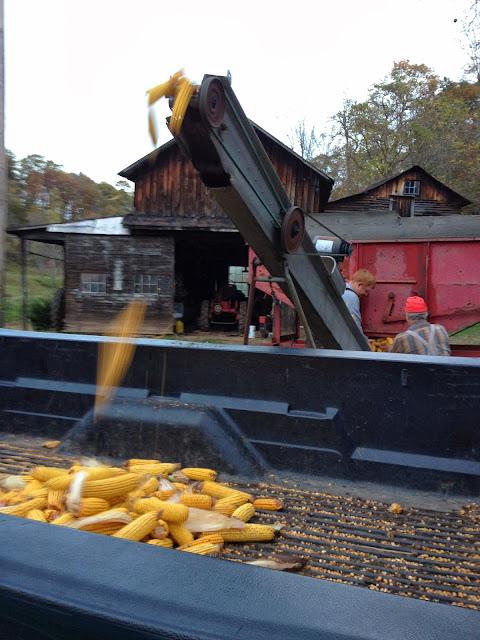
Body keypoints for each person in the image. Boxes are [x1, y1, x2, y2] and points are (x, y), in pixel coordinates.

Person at [342, 269, 376, 338]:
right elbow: (354, 323)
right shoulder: (351, 296)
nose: (366, 294)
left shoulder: (342, 290)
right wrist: (364, 341)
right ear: (359, 285)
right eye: (366, 290)